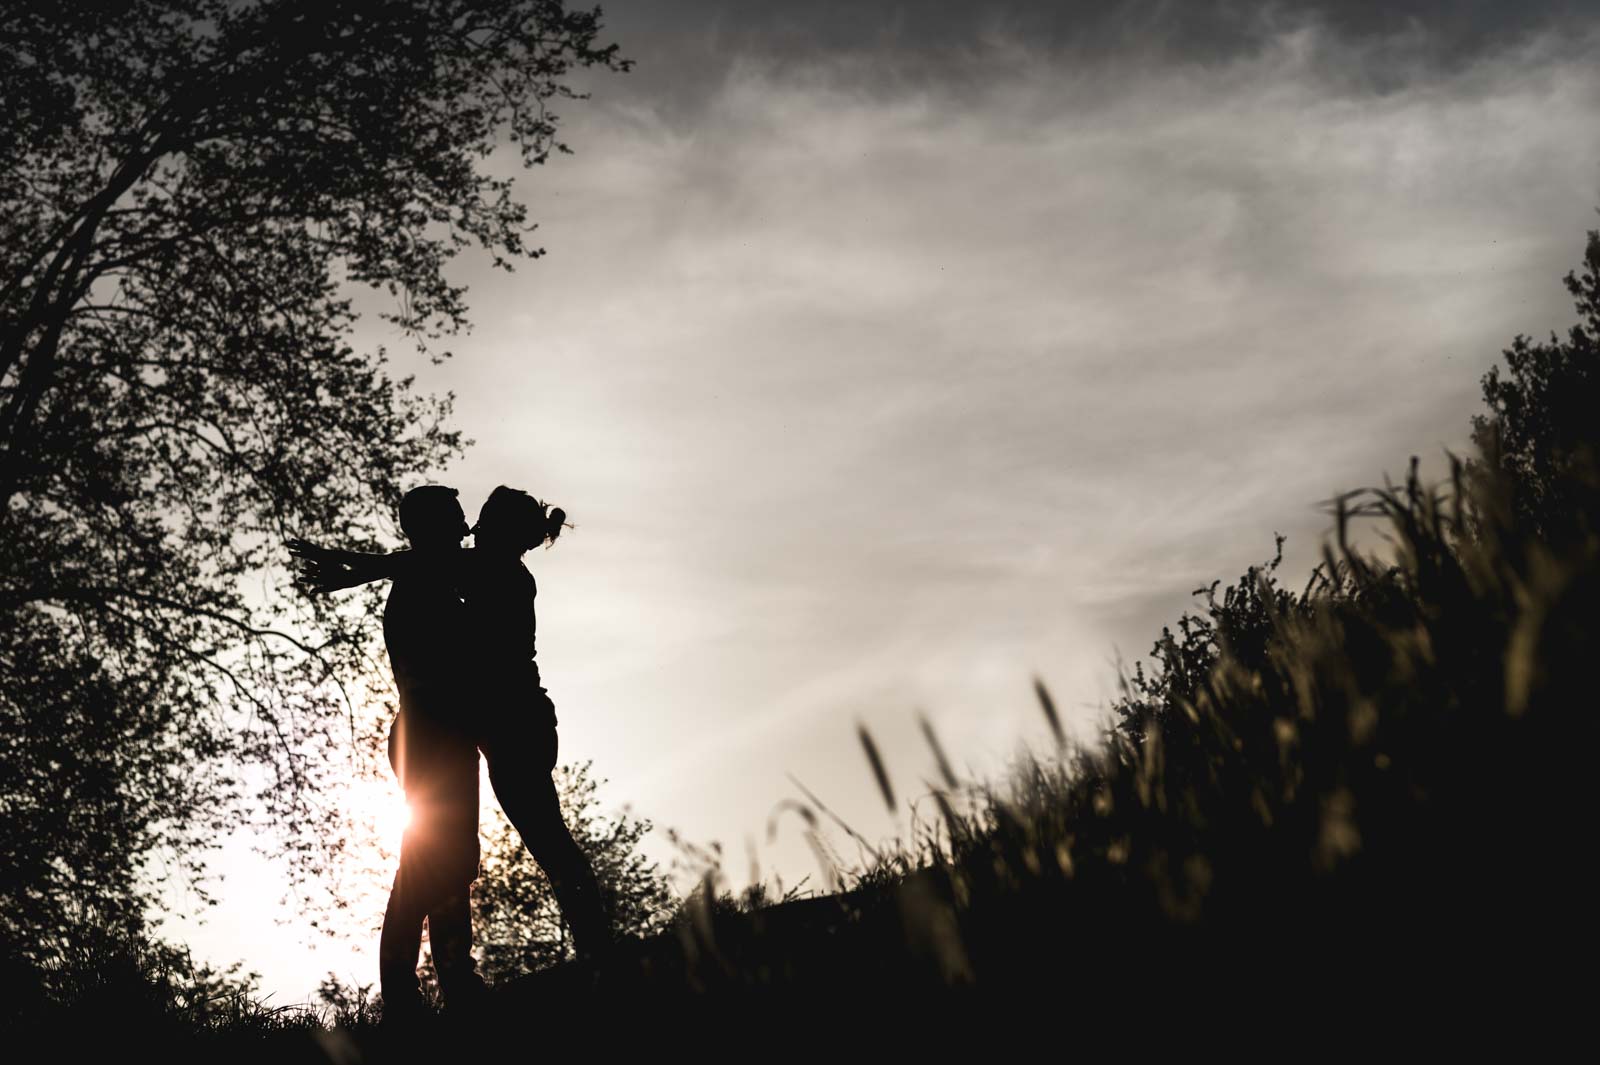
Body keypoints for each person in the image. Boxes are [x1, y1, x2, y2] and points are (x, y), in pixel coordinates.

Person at [290, 485, 614, 969]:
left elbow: (406, 562)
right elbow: (414, 564)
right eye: (469, 518)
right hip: (489, 728)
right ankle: (576, 949)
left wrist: (344, 566)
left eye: (480, 519)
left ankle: (595, 946)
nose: (470, 528)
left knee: (536, 843)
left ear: (499, 530)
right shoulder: (475, 571)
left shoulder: (496, 571)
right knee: (476, 855)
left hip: (513, 724)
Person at [368, 484, 487, 1019]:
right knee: (431, 861)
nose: (465, 524)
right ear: (434, 526)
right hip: (430, 735)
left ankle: (451, 980)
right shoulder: (422, 584)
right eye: (456, 516)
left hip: (436, 735)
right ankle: (411, 988)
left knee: (446, 860)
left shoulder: (425, 579)